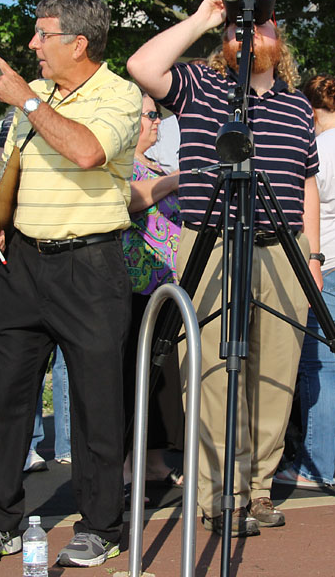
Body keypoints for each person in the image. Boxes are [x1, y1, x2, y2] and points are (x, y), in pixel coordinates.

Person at [127, 0, 321, 537]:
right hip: (209, 241)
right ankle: (218, 491)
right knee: (208, 367)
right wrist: (204, 18)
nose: (251, 34)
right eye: (241, 27)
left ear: (278, 34)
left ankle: (258, 486)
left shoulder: (298, 106)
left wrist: (316, 255)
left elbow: (307, 184)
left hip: (283, 248)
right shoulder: (201, 85)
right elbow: (142, 67)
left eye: (260, 25)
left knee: (276, 371)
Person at [0, 0, 139, 568]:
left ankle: (101, 525)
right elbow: (12, 167)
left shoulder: (120, 94)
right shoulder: (34, 97)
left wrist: (28, 103)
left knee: (96, 402)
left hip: (89, 266)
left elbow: (87, 151)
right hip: (23, 264)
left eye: (44, 35)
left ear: (78, 43)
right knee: (7, 400)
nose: (33, 45)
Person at [275, 75, 335, 488]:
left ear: (311, 111)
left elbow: (303, 208)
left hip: (328, 259)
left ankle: (317, 464)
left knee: (321, 366)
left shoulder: (318, 148)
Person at [121, 92, 184, 488]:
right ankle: (127, 466)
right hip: (133, 284)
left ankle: (156, 459)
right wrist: (176, 180)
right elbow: (131, 200)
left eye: (159, 116)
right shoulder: (121, 165)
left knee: (164, 378)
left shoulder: (159, 164)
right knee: (133, 373)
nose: (157, 122)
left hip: (168, 285)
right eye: (149, 116)